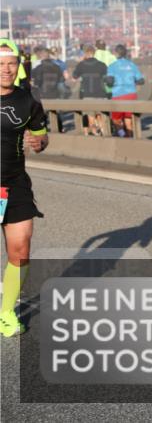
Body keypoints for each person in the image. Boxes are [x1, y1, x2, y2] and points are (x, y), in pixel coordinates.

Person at [0, 39, 49, 337]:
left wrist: (39, 142)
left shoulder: (27, 101)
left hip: (14, 185)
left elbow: (41, 136)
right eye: (0, 65)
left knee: (20, 248)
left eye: (10, 64)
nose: (5, 70)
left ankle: (5, 312)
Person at [106, 44, 145, 137]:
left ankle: (123, 136)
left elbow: (110, 82)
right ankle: (130, 138)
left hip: (118, 95)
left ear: (115, 53)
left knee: (116, 120)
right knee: (128, 120)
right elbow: (141, 81)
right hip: (131, 94)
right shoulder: (132, 65)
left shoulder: (112, 66)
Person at [72, 45, 108, 136]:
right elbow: (107, 78)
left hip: (88, 94)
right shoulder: (102, 64)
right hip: (101, 93)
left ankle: (95, 132)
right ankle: (103, 131)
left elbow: (74, 77)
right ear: (94, 53)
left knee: (90, 116)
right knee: (100, 115)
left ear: (85, 53)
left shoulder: (81, 65)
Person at [30, 47, 65, 132]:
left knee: (42, 114)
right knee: (56, 113)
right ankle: (60, 129)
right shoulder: (57, 67)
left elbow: (36, 83)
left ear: (41, 56)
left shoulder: (38, 68)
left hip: (42, 95)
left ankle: (44, 129)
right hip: (55, 94)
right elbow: (62, 80)